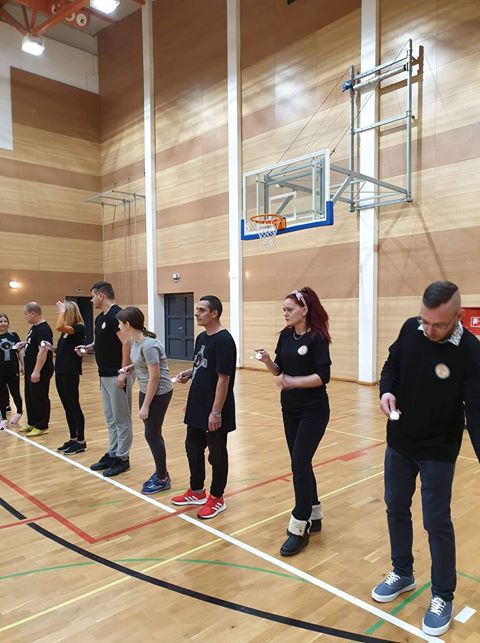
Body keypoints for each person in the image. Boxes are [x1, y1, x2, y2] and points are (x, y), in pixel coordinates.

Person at [371, 281, 480, 636]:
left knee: (436, 521)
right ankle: (402, 571)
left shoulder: (471, 353)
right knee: (395, 506)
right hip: (400, 442)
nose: (429, 330)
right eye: (424, 321)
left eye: (438, 325)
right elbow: (392, 365)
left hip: (438, 450)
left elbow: (477, 413)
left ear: (458, 317)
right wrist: (386, 391)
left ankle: (442, 595)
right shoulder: (410, 329)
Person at [256, 287, 332, 556]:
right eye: (284, 310)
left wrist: (294, 382)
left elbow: (323, 377)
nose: (285, 314)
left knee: (299, 463)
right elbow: (279, 370)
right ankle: (315, 513)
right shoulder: (286, 335)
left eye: (289, 310)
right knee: (301, 462)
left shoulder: (317, 338)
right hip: (290, 409)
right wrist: (268, 362)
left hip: (314, 410)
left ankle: (300, 526)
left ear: (304, 310)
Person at [172, 295, 236, 519]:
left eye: (201, 310)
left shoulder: (224, 341)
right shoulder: (201, 337)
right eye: (196, 309)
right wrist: (189, 373)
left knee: (216, 455)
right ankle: (197, 491)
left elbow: (223, 379)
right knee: (193, 448)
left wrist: (216, 412)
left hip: (214, 409)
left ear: (214, 313)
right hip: (197, 405)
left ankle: (217, 497)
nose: (196, 313)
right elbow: (201, 365)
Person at [75, 282, 132, 477]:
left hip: (117, 375)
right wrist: (88, 348)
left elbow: (127, 342)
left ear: (101, 295)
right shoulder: (100, 318)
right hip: (103, 374)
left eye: (93, 296)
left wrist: (123, 372)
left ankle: (123, 458)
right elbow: (102, 341)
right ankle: (113, 453)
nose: (91, 300)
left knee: (121, 419)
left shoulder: (118, 315)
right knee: (111, 418)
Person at [116, 306, 173, 494]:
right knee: (153, 433)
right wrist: (131, 368)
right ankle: (161, 473)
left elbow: (155, 377)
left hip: (158, 393)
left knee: (152, 435)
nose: (118, 326)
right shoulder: (136, 341)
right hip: (146, 389)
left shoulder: (149, 345)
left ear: (128, 324)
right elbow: (144, 363)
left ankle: (162, 477)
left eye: (120, 323)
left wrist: (146, 406)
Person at [54, 301, 87, 455]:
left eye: (63, 312)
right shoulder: (66, 331)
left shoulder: (79, 328)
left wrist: (62, 311)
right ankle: (73, 438)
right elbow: (64, 349)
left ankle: (81, 441)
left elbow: (59, 326)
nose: (60, 314)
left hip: (70, 372)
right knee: (67, 406)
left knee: (73, 405)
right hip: (60, 371)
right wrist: (51, 348)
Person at [22, 302, 54, 437]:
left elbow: (43, 351)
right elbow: (34, 344)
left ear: (33, 313)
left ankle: (42, 425)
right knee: (30, 397)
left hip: (40, 370)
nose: (25, 316)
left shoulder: (44, 329)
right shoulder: (34, 328)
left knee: (39, 397)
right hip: (30, 369)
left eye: (26, 314)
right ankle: (32, 422)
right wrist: (25, 344)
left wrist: (37, 371)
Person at [0, 313, 24, 430]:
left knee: (15, 393)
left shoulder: (13, 335)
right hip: (0, 372)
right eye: (0, 321)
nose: (3, 323)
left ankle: (19, 412)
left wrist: (23, 365)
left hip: (13, 370)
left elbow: (19, 351)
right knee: (2, 395)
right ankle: (3, 419)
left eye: (5, 321)